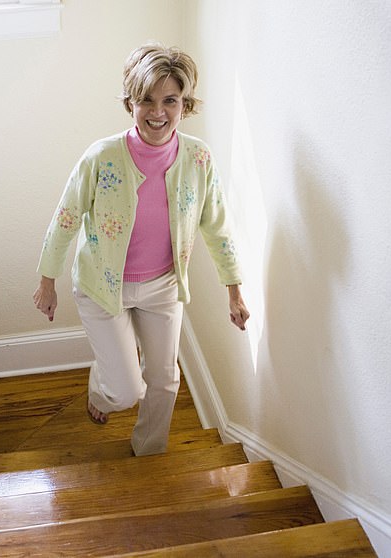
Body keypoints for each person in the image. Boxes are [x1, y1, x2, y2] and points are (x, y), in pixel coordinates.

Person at [33, 43, 249, 456]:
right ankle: (102, 389)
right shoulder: (101, 158)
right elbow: (66, 219)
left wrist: (234, 290)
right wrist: (47, 283)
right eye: (146, 100)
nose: (158, 112)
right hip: (101, 285)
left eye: (170, 100)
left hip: (163, 286)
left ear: (185, 104)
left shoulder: (199, 159)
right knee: (126, 390)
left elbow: (216, 225)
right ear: (130, 101)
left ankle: (149, 453)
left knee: (165, 380)